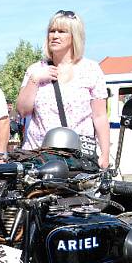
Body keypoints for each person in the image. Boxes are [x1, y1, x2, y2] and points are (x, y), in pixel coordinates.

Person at [16, 10, 110, 169]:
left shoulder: (91, 69)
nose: (55, 35)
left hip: (77, 159)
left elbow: (100, 116)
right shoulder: (36, 69)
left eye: (62, 31)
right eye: (52, 31)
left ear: (75, 36)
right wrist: (35, 79)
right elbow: (22, 110)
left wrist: (105, 154)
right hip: (39, 159)